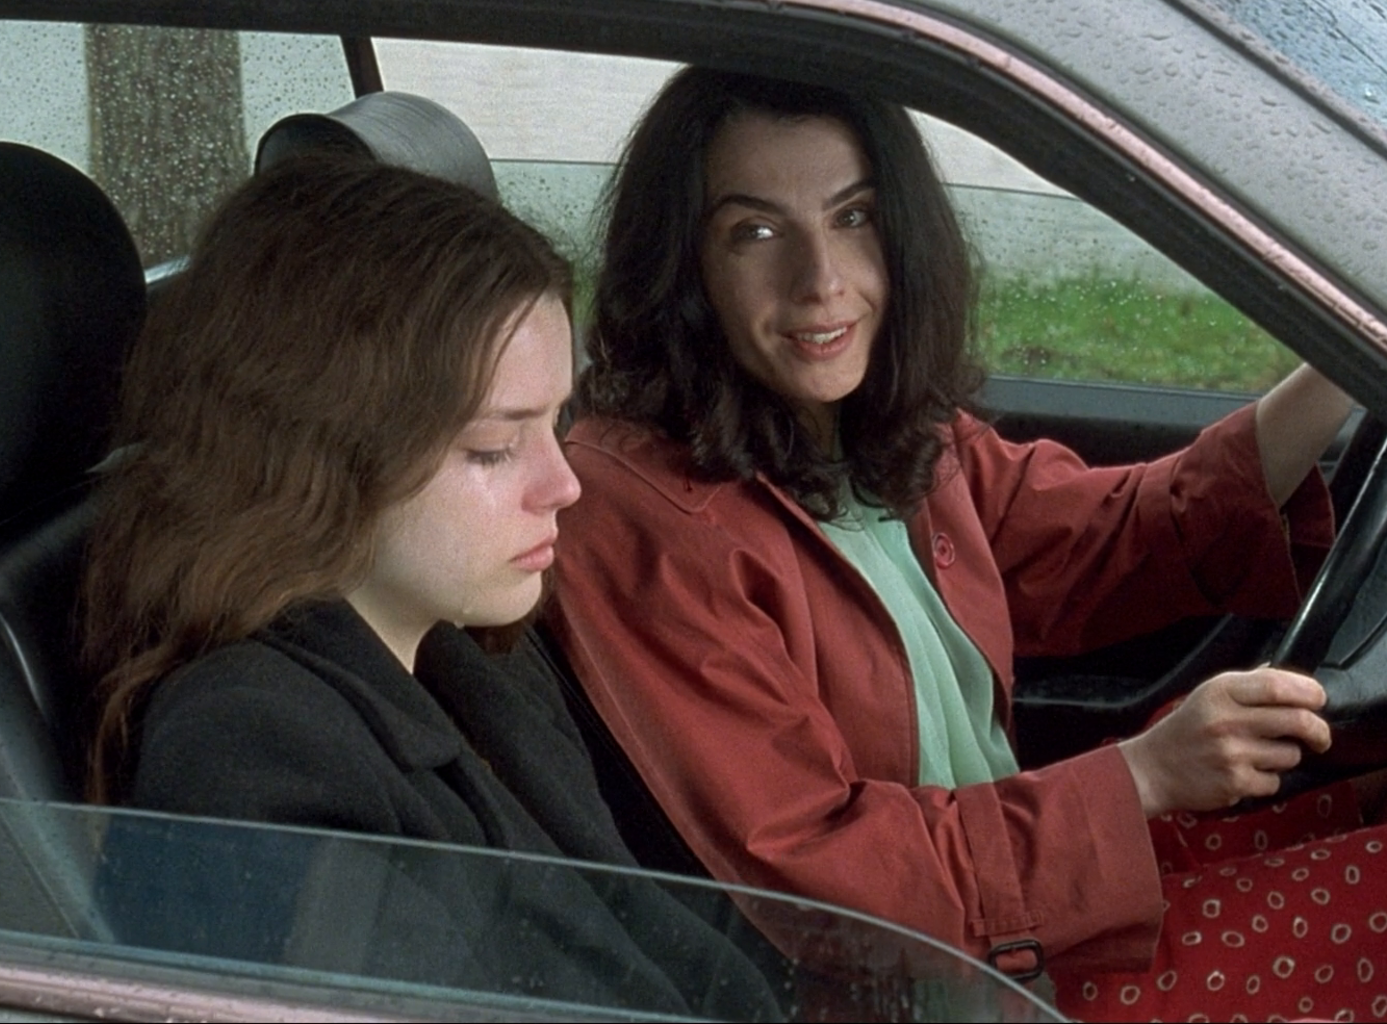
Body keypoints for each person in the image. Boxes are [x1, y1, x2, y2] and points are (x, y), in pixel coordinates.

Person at [549, 66, 1383, 1021]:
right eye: (757, 233)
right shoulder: (640, 519)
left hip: (1028, 911)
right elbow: (824, 874)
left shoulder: (871, 432)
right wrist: (1143, 776)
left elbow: (1111, 537)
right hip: (935, 990)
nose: (822, 281)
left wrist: (1346, 350)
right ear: (684, 266)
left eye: (854, 217)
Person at [77, 156, 778, 1017]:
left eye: (556, 421)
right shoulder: (253, 756)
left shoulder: (468, 652)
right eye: (493, 448)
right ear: (326, 453)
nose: (564, 484)